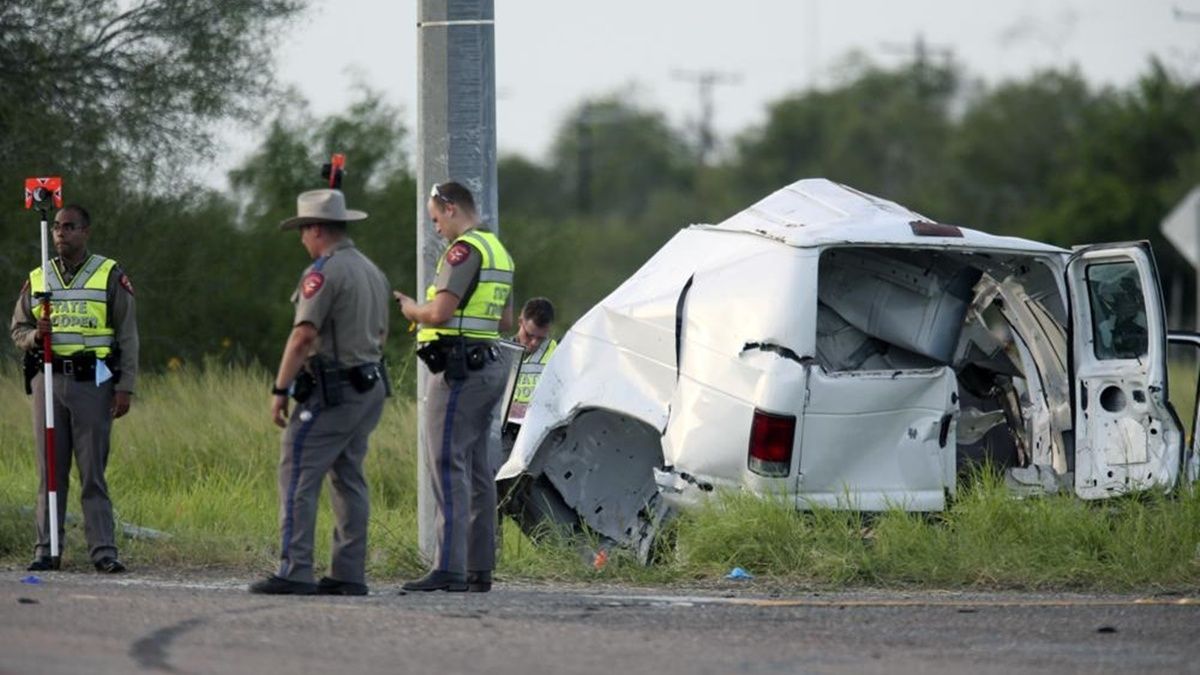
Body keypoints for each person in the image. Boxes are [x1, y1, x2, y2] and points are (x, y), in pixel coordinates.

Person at [249, 189, 391, 596]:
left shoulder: (323, 273)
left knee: (297, 473)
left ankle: (295, 569)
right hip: (370, 386)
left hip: (335, 390)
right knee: (349, 476)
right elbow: (382, 333)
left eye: (302, 230)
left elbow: (302, 336)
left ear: (316, 229)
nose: (301, 240)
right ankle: (348, 573)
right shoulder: (371, 270)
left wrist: (281, 388)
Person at [394, 181, 514, 593]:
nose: (437, 230)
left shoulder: (464, 250)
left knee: (447, 464)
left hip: (460, 372)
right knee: (477, 468)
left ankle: (449, 567)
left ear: (450, 208)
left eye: (435, 219)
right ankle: (478, 568)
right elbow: (505, 322)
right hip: (489, 365)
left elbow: (442, 311)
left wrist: (412, 309)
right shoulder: (498, 251)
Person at [10, 204, 138, 573]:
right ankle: (46, 549)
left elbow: (127, 334)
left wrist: (125, 385)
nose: (61, 234)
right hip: (48, 380)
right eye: (57, 228)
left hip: (92, 381)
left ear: (86, 231)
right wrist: (36, 335)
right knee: (50, 469)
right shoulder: (39, 277)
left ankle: (103, 551)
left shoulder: (109, 274)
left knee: (92, 470)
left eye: (70, 227)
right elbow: (18, 329)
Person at [505, 297, 558, 427]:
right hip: (504, 430)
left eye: (541, 338)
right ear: (520, 322)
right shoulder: (502, 352)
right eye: (529, 335)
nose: (534, 343)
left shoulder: (557, 353)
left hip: (537, 430)